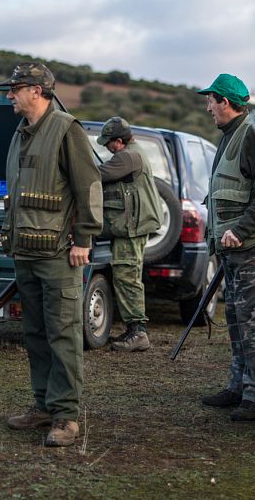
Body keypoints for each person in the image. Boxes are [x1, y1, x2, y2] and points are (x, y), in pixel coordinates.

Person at [0, 63, 103, 448]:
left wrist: (84, 239)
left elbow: (89, 186)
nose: (10, 95)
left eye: (16, 88)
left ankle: (66, 416)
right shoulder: (19, 134)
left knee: (63, 334)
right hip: (25, 252)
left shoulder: (66, 129)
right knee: (35, 333)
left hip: (59, 254)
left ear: (37, 91)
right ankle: (43, 405)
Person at [197, 73, 255, 422]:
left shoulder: (254, 133)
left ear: (225, 102)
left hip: (253, 244)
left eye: (211, 101)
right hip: (234, 247)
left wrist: (240, 229)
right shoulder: (231, 135)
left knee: (252, 321)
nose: (208, 107)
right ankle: (238, 386)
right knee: (236, 319)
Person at [96, 116, 161, 352]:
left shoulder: (127, 157)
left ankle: (138, 333)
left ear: (119, 141)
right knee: (128, 275)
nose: (107, 147)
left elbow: (96, 175)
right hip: (131, 227)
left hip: (131, 229)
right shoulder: (134, 153)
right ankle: (134, 329)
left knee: (127, 276)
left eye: (108, 142)